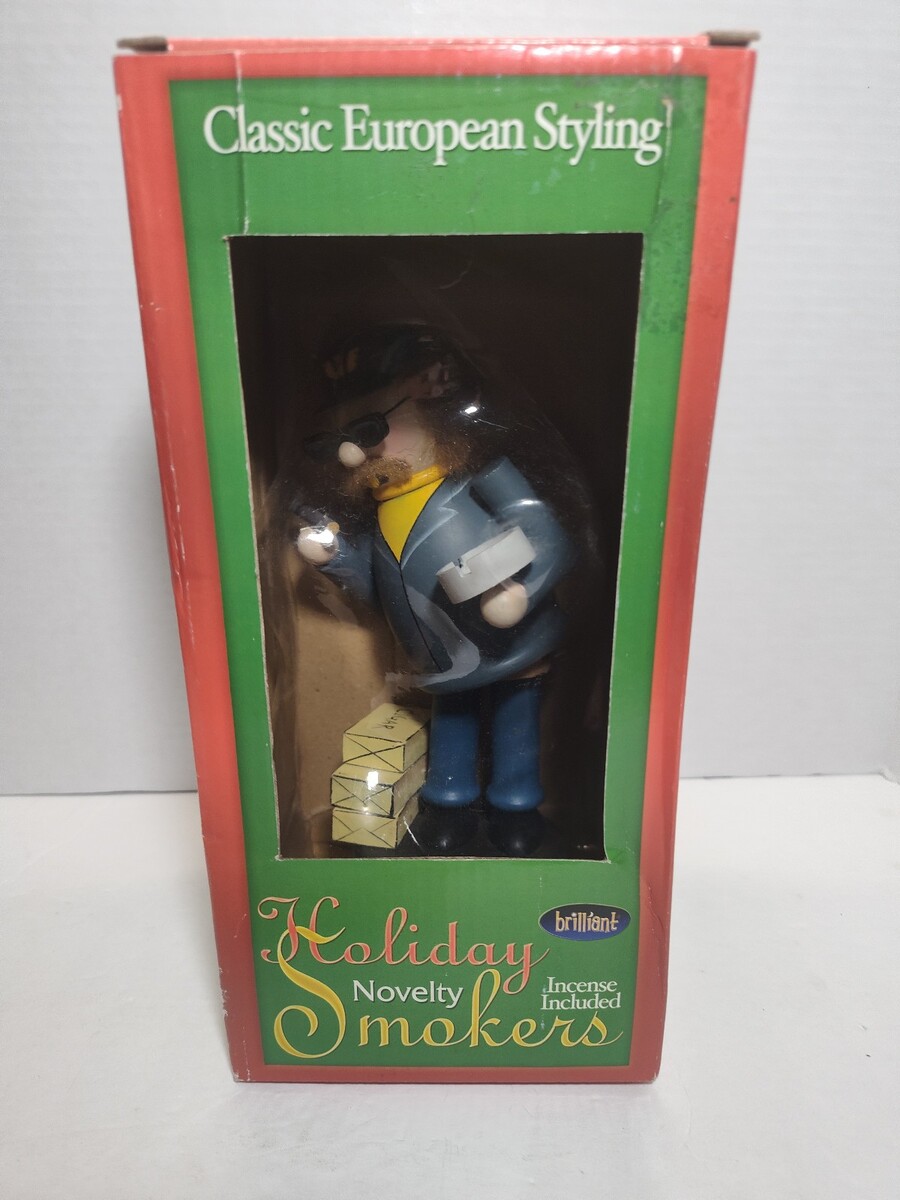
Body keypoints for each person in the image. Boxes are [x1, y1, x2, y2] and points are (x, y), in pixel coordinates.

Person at [294, 322, 576, 814]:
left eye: (370, 429)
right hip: (443, 665)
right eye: (337, 440)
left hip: (513, 646)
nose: (351, 454)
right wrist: (334, 556)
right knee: (454, 726)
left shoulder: (483, 483)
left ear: (432, 408)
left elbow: (548, 537)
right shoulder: (382, 523)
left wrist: (522, 593)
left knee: (515, 721)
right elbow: (382, 594)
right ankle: (450, 796)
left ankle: (516, 801)